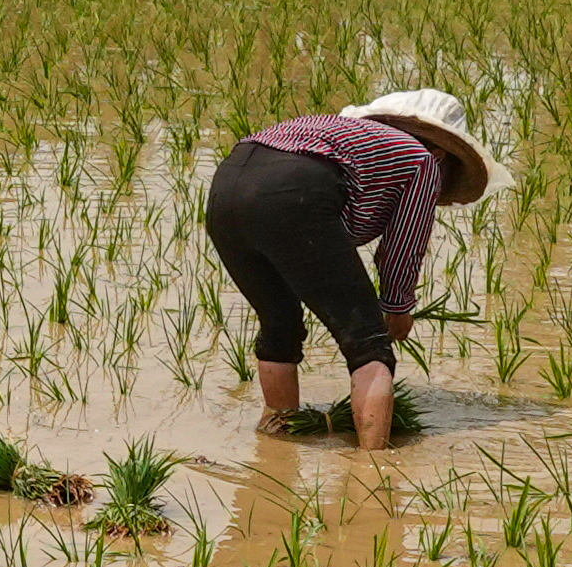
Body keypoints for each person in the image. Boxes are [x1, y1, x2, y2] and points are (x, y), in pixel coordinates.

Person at [202, 92, 488, 452]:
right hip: (293, 193)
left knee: (280, 324)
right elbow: (404, 245)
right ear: (442, 153)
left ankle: (277, 441)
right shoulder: (421, 160)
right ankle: (372, 465)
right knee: (368, 344)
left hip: (225, 187)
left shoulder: (346, 136)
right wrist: (397, 307)